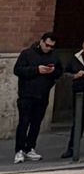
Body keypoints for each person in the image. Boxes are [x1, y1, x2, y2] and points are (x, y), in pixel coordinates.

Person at [13, 32, 60, 163]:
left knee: (36, 123)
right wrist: (36, 70)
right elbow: (18, 70)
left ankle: (30, 148)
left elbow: (59, 72)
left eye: (52, 46)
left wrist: (52, 73)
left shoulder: (54, 56)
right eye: (47, 45)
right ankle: (19, 150)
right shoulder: (27, 54)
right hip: (26, 95)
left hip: (42, 95)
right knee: (24, 122)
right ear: (41, 41)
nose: (48, 48)